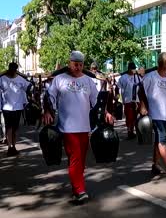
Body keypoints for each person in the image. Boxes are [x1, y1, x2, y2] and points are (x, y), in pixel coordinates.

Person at [43, 51, 113, 205]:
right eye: (75, 64)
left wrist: (106, 112)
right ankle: (81, 190)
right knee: (75, 158)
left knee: (80, 160)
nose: (78, 67)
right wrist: (47, 111)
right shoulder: (60, 79)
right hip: (67, 127)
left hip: (84, 126)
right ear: (69, 63)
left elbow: (96, 101)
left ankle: (76, 189)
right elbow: (50, 96)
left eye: (81, 65)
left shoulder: (88, 81)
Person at [139, 52, 166, 179]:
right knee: (162, 139)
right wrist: (143, 106)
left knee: (159, 140)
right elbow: (141, 90)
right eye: (165, 62)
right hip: (155, 113)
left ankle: (155, 165)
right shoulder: (150, 76)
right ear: (160, 63)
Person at [0, 62, 31, 156]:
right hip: (7, 107)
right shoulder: (2, 79)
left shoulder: (21, 79)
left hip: (18, 107)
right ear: (9, 69)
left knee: (15, 128)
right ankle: (10, 147)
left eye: (14, 69)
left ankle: (13, 146)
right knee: (9, 127)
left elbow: (29, 87)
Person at [117, 62, 141, 139]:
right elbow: (117, 87)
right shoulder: (123, 77)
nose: (133, 70)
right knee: (129, 117)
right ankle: (129, 131)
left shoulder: (137, 77)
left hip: (136, 100)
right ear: (129, 69)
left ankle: (132, 130)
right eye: (132, 69)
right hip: (127, 100)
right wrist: (117, 95)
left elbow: (141, 85)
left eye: (134, 69)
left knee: (135, 116)